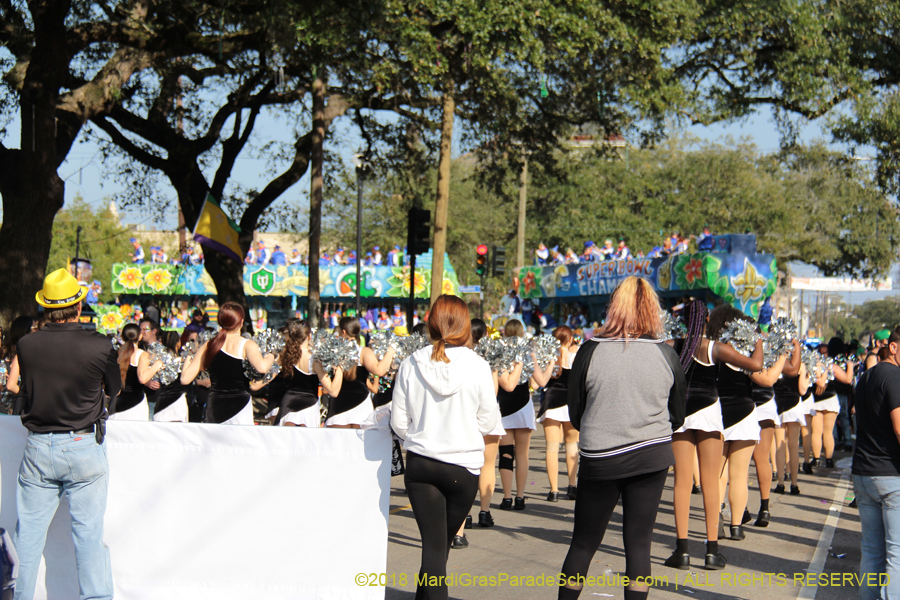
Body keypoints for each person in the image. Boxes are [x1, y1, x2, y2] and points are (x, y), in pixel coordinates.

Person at [560, 276, 686, 600]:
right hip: (651, 456)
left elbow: (576, 412)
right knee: (639, 544)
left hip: (600, 457)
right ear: (652, 310)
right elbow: (678, 415)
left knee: (583, 543)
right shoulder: (666, 355)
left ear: (613, 308)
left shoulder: (590, 351)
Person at [14, 268, 120, 600]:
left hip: (38, 445)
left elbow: (24, 389)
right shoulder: (99, 344)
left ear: (46, 307)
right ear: (79, 305)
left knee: (27, 536)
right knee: (88, 535)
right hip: (82, 443)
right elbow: (114, 388)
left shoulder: (27, 344)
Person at [391, 294, 499, 600]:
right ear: (465, 325)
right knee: (439, 550)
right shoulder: (478, 365)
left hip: (422, 463)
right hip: (462, 466)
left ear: (431, 324)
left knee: (434, 549)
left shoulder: (412, 363)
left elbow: (399, 422)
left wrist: (421, 434)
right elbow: (489, 421)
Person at [664, 299, 762, 571]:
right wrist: (758, 341)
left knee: (682, 482)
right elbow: (755, 365)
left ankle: (681, 551)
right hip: (708, 413)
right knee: (710, 481)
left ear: (683, 320)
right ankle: (711, 551)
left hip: (681, 414)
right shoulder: (716, 348)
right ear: (707, 320)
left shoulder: (672, 346)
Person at [852, 327, 900, 600]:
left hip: (863, 474)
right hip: (891, 476)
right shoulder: (895, 377)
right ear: (893, 347)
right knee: (897, 553)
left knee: (871, 550)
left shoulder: (866, 376)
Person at [180, 302, 275, 424]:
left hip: (214, 406)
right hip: (239, 406)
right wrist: (271, 356)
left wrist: (190, 353)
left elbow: (185, 379)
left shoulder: (209, 345)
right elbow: (262, 367)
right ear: (241, 322)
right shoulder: (246, 344)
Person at [496, 319, 555, 511]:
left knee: (505, 454)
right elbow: (541, 382)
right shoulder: (527, 353)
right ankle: (520, 497)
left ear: (505, 332)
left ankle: (506, 497)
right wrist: (551, 364)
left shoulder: (500, 352)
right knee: (522, 454)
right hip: (523, 405)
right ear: (522, 333)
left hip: (503, 406)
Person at [325, 317, 396, 428]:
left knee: (338, 444)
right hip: (361, 404)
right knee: (360, 444)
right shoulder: (363, 352)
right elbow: (379, 370)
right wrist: (390, 352)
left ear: (343, 332)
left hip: (339, 405)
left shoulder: (334, 351)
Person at [269, 319, 340, 426]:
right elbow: (333, 391)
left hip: (287, 404)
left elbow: (268, 377)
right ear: (309, 336)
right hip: (309, 407)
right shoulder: (314, 360)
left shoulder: (285, 355)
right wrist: (340, 368)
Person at [537, 326, 580, 502]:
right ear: (569, 339)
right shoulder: (574, 357)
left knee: (552, 448)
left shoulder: (549, 358)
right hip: (570, 403)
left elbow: (539, 382)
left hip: (552, 402)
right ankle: (572, 486)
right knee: (572, 446)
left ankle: (554, 490)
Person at [140, 330, 189, 422]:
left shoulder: (158, 361)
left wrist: (148, 383)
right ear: (178, 343)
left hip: (161, 402)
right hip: (178, 402)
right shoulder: (184, 361)